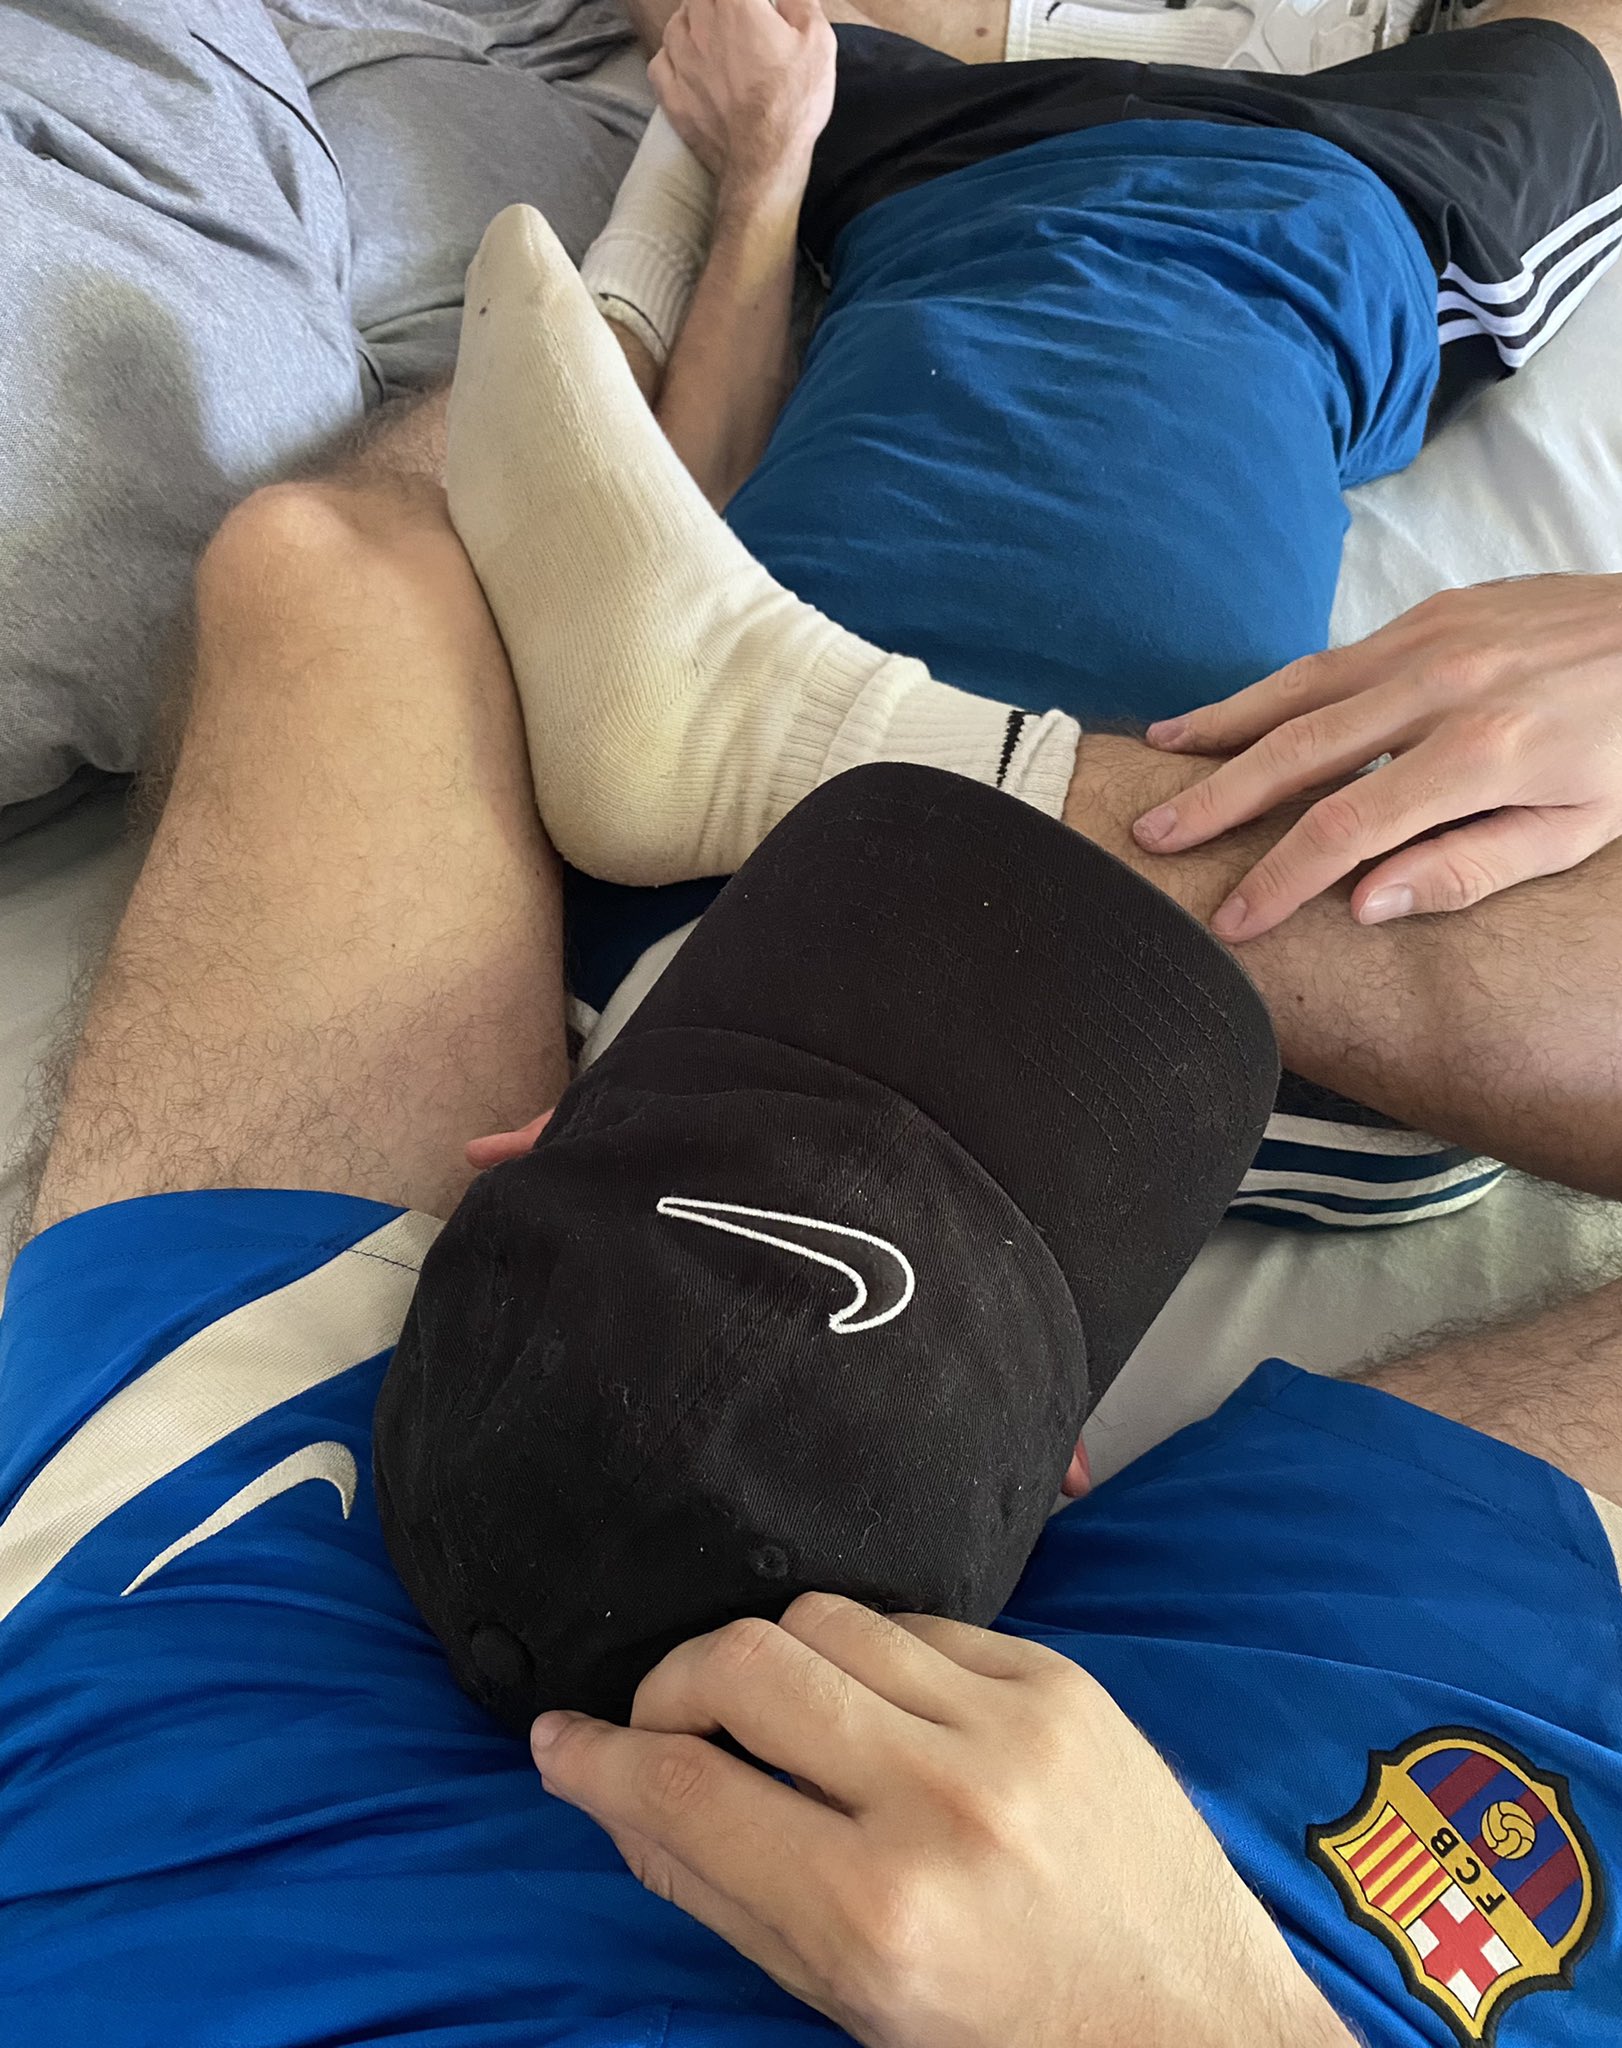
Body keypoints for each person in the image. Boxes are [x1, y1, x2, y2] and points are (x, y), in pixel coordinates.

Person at [5, 225, 1622, 2040]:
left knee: (319, 571)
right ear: (1069, 1465)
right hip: (1173, 1927)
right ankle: (770, 700)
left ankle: (741, 595)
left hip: (188, 1804)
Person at [546, 0, 1622, 1227]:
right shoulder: (1307, 1088)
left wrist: (765, 164)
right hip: (1330, 205)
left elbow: (671, 511)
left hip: (936, 173)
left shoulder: (622, 934)